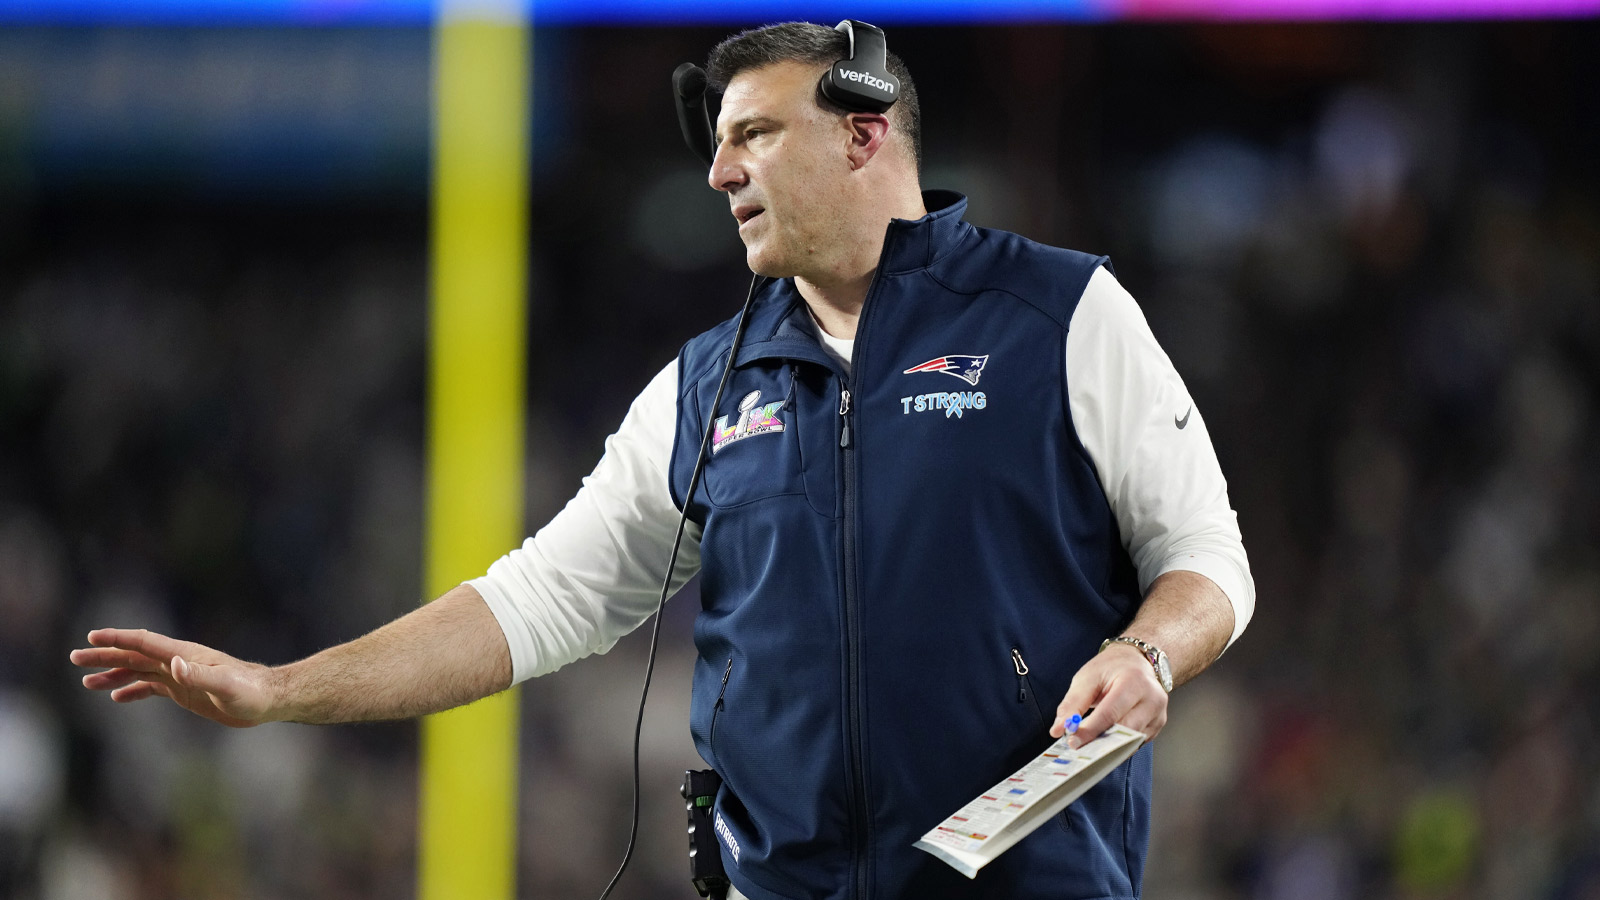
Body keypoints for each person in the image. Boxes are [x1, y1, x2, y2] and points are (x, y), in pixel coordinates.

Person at [70, 21, 1253, 900]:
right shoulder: (703, 386)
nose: (718, 170)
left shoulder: (1059, 313)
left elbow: (1208, 562)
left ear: (863, 129)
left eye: (754, 133)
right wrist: (280, 690)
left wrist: (1147, 652)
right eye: (717, 139)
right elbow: (534, 604)